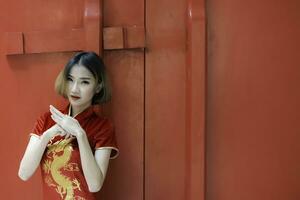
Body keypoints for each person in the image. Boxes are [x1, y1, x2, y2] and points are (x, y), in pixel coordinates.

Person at [18, 52, 119, 200]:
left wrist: (80, 134)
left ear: (98, 87)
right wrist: (47, 135)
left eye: (84, 82)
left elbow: (94, 185)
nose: (74, 89)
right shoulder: (47, 120)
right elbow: (24, 174)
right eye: (71, 80)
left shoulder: (103, 127)